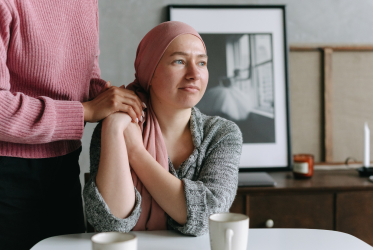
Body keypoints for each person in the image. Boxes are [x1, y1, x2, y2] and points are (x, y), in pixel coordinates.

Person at [0, 1, 144, 249]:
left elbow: (85, 79)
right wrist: (85, 111)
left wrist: (114, 98)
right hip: (8, 172)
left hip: (66, 164)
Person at [83, 21, 243, 236]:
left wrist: (136, 153)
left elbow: (208, 217)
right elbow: (111, 225)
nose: (194, 74)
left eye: (202, 63)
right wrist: (112, 126)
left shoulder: (222, 134)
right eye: (179, 61)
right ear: (149, 70)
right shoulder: (117, 126)